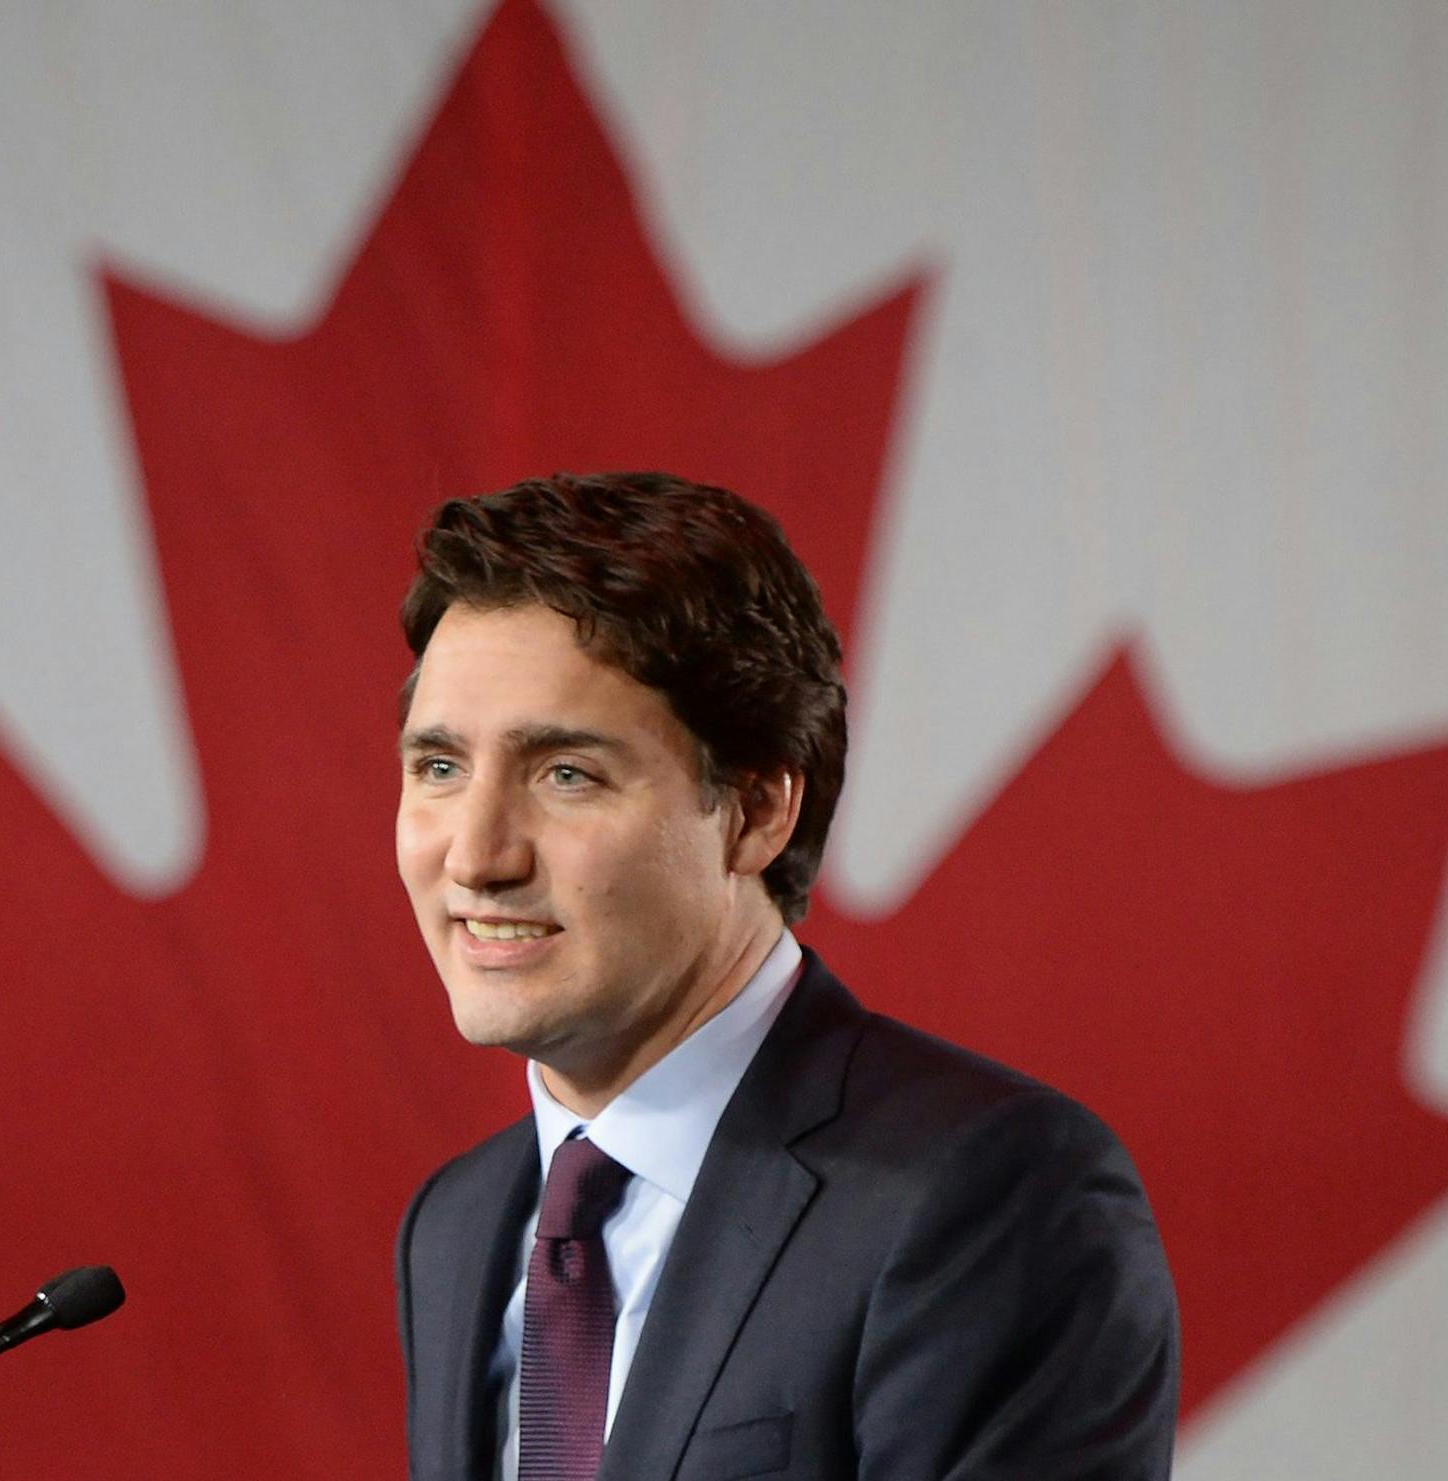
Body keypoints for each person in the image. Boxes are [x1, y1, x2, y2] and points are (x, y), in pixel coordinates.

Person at [392, 472, 1178, 1481]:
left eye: (566, 773)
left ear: (758, 810)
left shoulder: (991, 1192)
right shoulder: (456, 1222)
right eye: (439, 768)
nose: (475, 855)